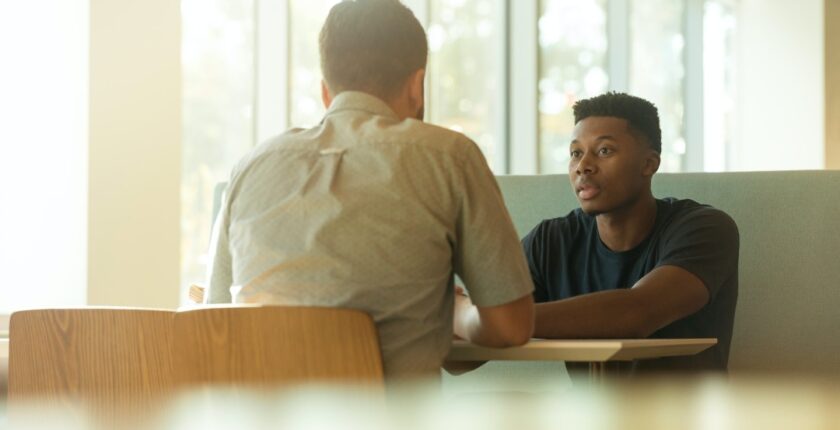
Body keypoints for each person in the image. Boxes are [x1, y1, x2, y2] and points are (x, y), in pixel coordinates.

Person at [204, 0, 534, 380]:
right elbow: (510, 326)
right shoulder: (449, 156)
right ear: (417, 86)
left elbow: (216, 323)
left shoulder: (250, 167)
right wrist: (457, 313)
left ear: (326, 93)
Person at [521, 92, 739, 373]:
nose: (582, 166)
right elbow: (461, 359)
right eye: (576, 153)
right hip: (590, 414)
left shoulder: (706, 229)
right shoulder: (551, 241)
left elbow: (636, 314)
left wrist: (494, 320)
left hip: (686, 415)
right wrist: (464, 317)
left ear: (649, 164)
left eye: (604, 151)